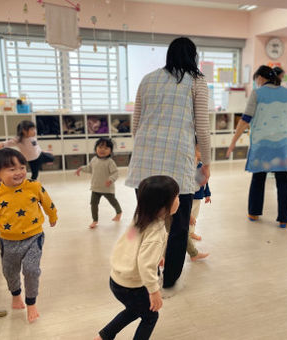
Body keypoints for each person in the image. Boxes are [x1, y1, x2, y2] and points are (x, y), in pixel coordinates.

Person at [125, 37, 211, 293]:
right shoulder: (197, 81)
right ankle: (170, 279)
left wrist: (147, 145)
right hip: (178, 162)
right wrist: (206, 164)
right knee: (178, 224)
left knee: (146, 219)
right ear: (193, 56)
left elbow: (135, 124)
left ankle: (141, 271)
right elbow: (203, 129)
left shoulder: (148, 78)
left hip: (144, 164)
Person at [0, 148, 57, 323]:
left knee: (31, 270)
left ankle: (31, 303)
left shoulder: (33, 186)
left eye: (22, 167)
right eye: (12, 169)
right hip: (8, 240)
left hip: (33, 236)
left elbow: (48, 203)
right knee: (10, 271)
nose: (19, 172)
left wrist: (53, 216)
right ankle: (16, 294)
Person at [95, 175, 179, 340]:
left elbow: (133, 242)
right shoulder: (156, 231)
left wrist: (157, 256)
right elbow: (145, 264)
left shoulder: (140, 217)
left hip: (117, 279)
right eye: (176, 196)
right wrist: (154, 291)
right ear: (163, 204)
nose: (179, 199)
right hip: (133, 287)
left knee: (134, 310)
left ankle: (104, 336)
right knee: (150, 317)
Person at [227, 65, 287, 228]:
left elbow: (245, 119)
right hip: (283, 145)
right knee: (284, 181)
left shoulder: (257, 93)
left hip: (262, 144)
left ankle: (253, 213)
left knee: (258, 178)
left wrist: (233, 141)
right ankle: (283, 220)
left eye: (255, 80)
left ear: (260, 78)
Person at [76, 137, 121, 228]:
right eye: (100, 147)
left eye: (106, 148)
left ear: (110, 151)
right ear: (96, 148)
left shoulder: (110, 162)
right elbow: (90, 168)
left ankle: (119, 212)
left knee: (113, 201)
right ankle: (95, 220)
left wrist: (111, 179)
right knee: (93, 204)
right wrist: (82, 168)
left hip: (107, 188)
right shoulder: (94, 160)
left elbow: (115, 173)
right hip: (95, 187)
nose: (102, 150)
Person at [187, 143, 210, 262]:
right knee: (189, 216)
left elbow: (205, 182)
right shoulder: (190, 166)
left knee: (194, 216)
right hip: (190, 196)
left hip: (199, 197)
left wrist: (208, 194)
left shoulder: (202, 166)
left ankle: (191, 233)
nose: (202, 154)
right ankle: (188, 234)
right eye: (199, 151)